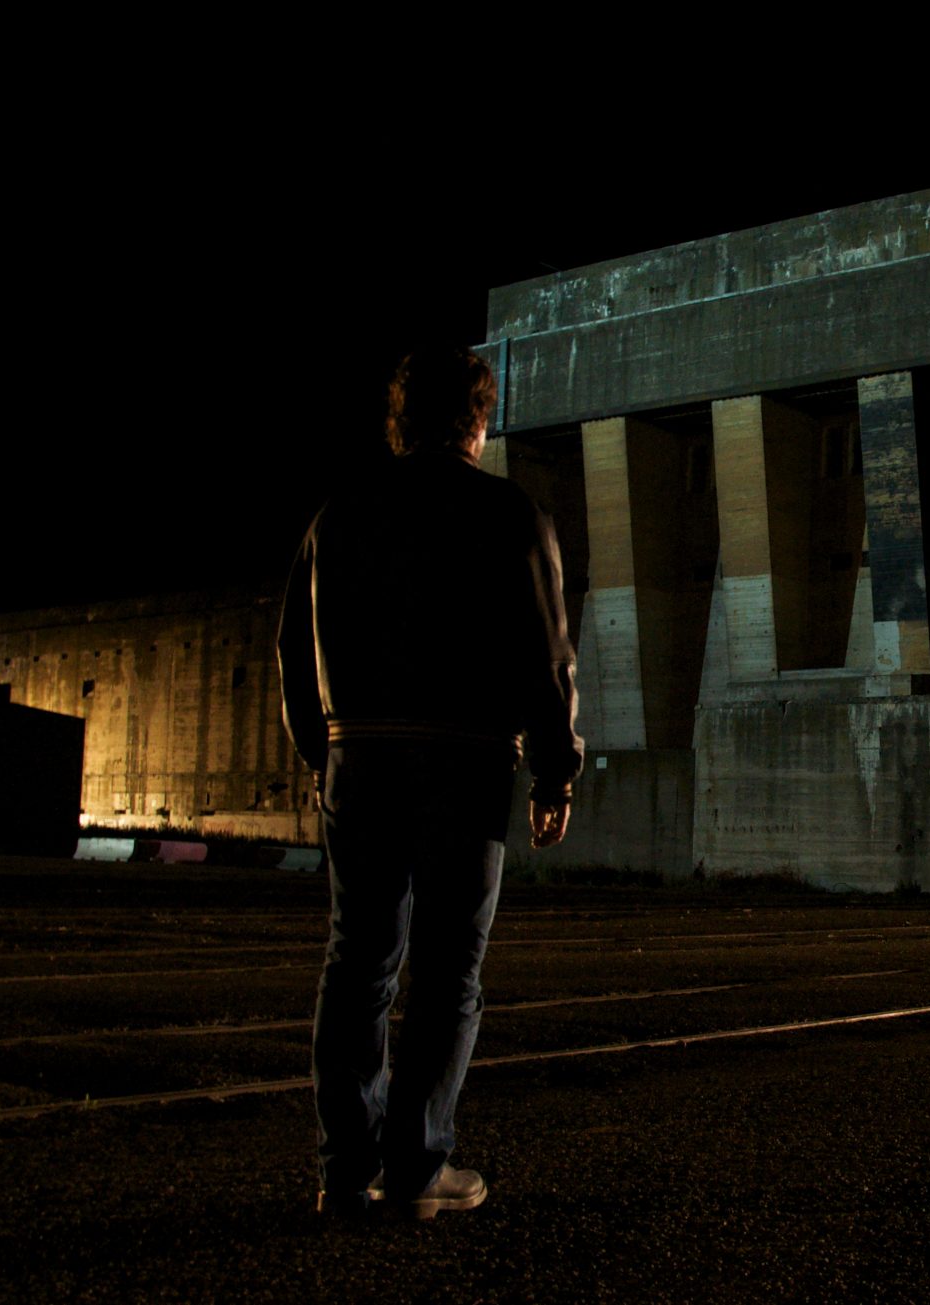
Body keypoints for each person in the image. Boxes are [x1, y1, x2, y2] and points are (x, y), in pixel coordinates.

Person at [278, 346, 583, 1220]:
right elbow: (548, 654)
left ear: (399, 424)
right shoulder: (511, 513)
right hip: (465, 761)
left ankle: (346, 1168)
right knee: (449, 969)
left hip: (362, 759)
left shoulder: (339, 515)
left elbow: (296, 649)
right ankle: (418, 1165)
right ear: (477, 423)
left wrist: (324, 754)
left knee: (358, 960)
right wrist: (555, 772)